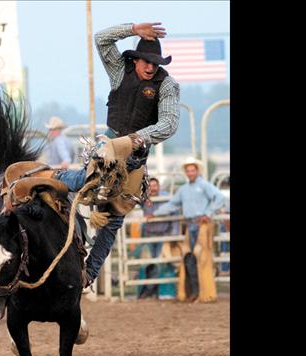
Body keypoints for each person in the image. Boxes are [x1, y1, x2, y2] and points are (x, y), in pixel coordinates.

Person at [54, 21, 180, 287]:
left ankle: (89, 273)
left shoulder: (167, 85)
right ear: (135, 60)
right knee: (86, 180)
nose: (150, 67)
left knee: (114, 220)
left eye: (155, 63)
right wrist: (132, 29)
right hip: (109, 144)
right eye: (146, 61)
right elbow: (101, 39)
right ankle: (52, 177)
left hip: (136, 156)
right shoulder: (119, 71)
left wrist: (137, 139)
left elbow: (169, 123)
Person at [153, 156, 227, 302]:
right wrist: (154, 213)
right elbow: (172, 204)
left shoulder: (204, 185)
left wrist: (208, 213)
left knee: (202, 258)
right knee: (190, 258)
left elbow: (219, 198)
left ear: (197, 171)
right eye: (188, 171)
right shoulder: (184, 190)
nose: (191, 173)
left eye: (193, 170)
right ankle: (195, 291)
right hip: (190, 225)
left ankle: (202, 292)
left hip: (202, 225)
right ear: (186, 172)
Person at [138, 177, 177, 299]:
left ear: (158, 186)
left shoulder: (166, 198)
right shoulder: (144, 198)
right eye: (150, 186)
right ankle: (152, 290)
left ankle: (160, 291)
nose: (152, 188)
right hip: (149, 235)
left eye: (154, 186)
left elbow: (174, 213)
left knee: (162, 263)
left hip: (163, 234)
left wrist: (174, 233)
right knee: (150, 263)